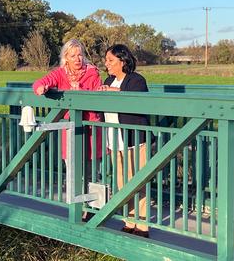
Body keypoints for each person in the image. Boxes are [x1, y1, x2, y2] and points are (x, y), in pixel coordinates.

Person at [32, 39, 102, 220]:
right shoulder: (60, 73)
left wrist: (82, 92)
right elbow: (41, 82)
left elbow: (98, 99)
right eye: (73, 56)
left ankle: (91, 210)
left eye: (80, 55)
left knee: (90, 170)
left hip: (90, 129)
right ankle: (76, 208)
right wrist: (42, 88)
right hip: (70, 131)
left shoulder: (92, 73)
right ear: (66, 58)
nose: (78, 59)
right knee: (72, 169)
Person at [98, 44, 150, 238]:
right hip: (114, 139)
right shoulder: (108, 80)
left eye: (110, 60)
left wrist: (111, 92)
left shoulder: (136, 80)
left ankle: (142, 226)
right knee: (122, 183)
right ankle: (129, 221)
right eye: (106, 60)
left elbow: (137, 101)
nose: (107, 64)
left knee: (138, 182)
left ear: (123, 61)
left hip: (134, 140)